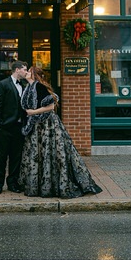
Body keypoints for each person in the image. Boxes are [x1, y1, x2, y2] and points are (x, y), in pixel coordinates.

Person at [19, 66, 102, 199]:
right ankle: (39, 185)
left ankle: (51, 185)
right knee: (39, 154)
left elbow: (50, 106)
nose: (27, 72)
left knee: (49, 153)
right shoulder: (28, 87)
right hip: (36, 126)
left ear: (34, 75)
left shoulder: (40, 86)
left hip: (47, 125)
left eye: (29, 71)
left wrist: (33, 112)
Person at [0, 61, 28, 193]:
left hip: (19, 127)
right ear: (17, 70)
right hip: (4, 127)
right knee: (1, 157)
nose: (26, 72)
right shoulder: (3, 84)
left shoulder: (24, 85)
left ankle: (12, 183)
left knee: (16, 157)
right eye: (24, 69)